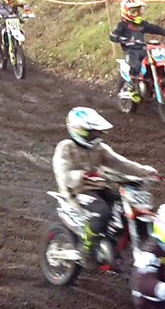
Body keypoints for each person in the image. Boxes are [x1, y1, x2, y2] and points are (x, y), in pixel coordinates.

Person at [53, 107, 158, 268]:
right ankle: (87, 250)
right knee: (102, 212)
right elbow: (63, 172)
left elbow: (119, 162)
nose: (96, 135)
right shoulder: (66, 147)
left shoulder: (98, 148)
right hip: (78, 191)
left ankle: (116, 243)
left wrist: (144, 171)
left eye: (96, 132)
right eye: (91, 132)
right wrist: (81, 175)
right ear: (78, 130)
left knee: (126, 207)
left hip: (99, 189)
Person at [109, 0, 165, 102]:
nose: (137, 14)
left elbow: (155, 28)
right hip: (131, 51)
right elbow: (113, 35)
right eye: (133, 11)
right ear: (126, 12)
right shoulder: (123, 25)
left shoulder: (142, 25)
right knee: (136, 65)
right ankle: (132, 88)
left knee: (155, 61)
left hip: (143, 49)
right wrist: (121, 38)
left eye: (138, 11)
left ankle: (155, 85)